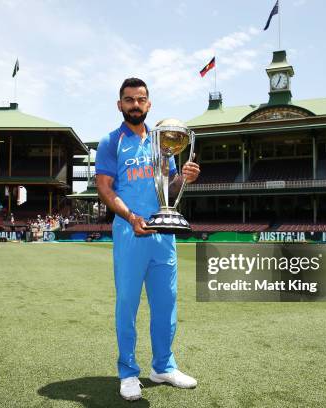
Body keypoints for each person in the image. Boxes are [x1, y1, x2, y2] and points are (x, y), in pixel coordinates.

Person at [95, 78, 201, 401]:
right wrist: (130, 217)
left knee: (166, 304)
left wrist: (183, 176)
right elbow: (105, 188)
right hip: (129, 233)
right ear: (120, 105)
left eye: (141, 99)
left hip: (162, 236)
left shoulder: (162, 143)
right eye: (129, 100)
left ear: (149, 104)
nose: (135, 105)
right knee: (127, 305)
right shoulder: (111, 142)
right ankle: (128, 372)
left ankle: (163, 366)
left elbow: (167, 191)